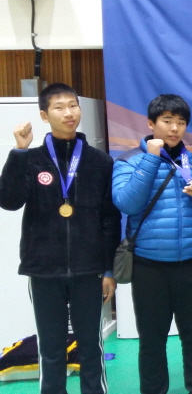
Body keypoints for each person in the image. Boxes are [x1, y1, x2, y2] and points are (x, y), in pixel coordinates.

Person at [0, 83, 121, 394]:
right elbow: (9, 200)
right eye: (59, 107)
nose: (68, 113)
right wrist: (19, 151)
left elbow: (110, 219)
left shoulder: (100, 162)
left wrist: (109, 269)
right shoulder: (31, 159)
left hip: (89, 270)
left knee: (90, 346)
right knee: (51, 347)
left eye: (73, 105)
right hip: (43, 269)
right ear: (44, 115)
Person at [112, 94, 192, 394]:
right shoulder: (130, 160)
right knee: (152, 338)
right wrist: (150, 158)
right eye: (168, 121)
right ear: (151, 123)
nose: (174, 128)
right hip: (150, 266)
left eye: (181, 123)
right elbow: (126, 203)